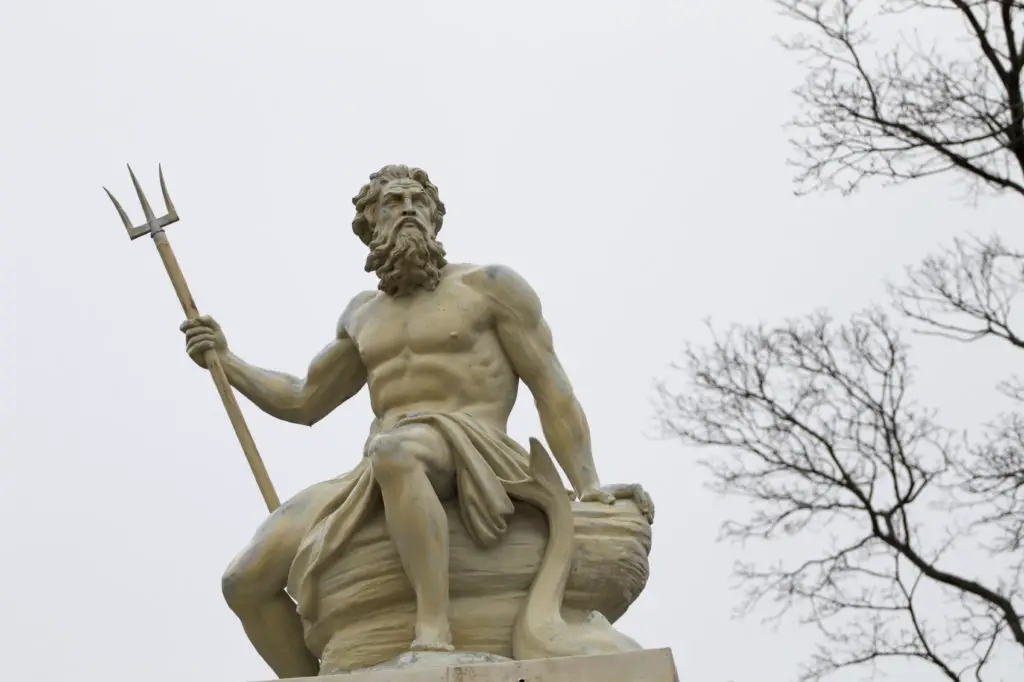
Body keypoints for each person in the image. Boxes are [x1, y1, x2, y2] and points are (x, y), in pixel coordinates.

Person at [180, 164, 617, 678]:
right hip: (386, 461)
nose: (408, 209)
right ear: (370, 226)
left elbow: (553, 390)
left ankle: (434, 635)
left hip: (476, 445)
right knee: (245, 580)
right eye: (392, 203)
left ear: (435, 217)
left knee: (395, 451)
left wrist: (590, 486)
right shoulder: (362, 315)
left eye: (418, 201)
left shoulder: (489, 287)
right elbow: (303, 400)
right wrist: (228, 362)